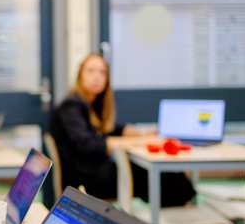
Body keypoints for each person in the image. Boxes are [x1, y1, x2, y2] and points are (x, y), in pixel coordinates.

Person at [51, 54, 195, 207]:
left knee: (165, 178)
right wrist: (142, 141)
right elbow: (89, 144)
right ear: (80, 75)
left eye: (102, 72)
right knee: (163, 178)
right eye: (91, 71)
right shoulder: (71, 106)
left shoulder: (89, 103)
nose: (97, 77)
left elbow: (108, 130)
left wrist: (139, 133)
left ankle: (175, 219)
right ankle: (177, 223)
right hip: (84, 180)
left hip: (91, 173)